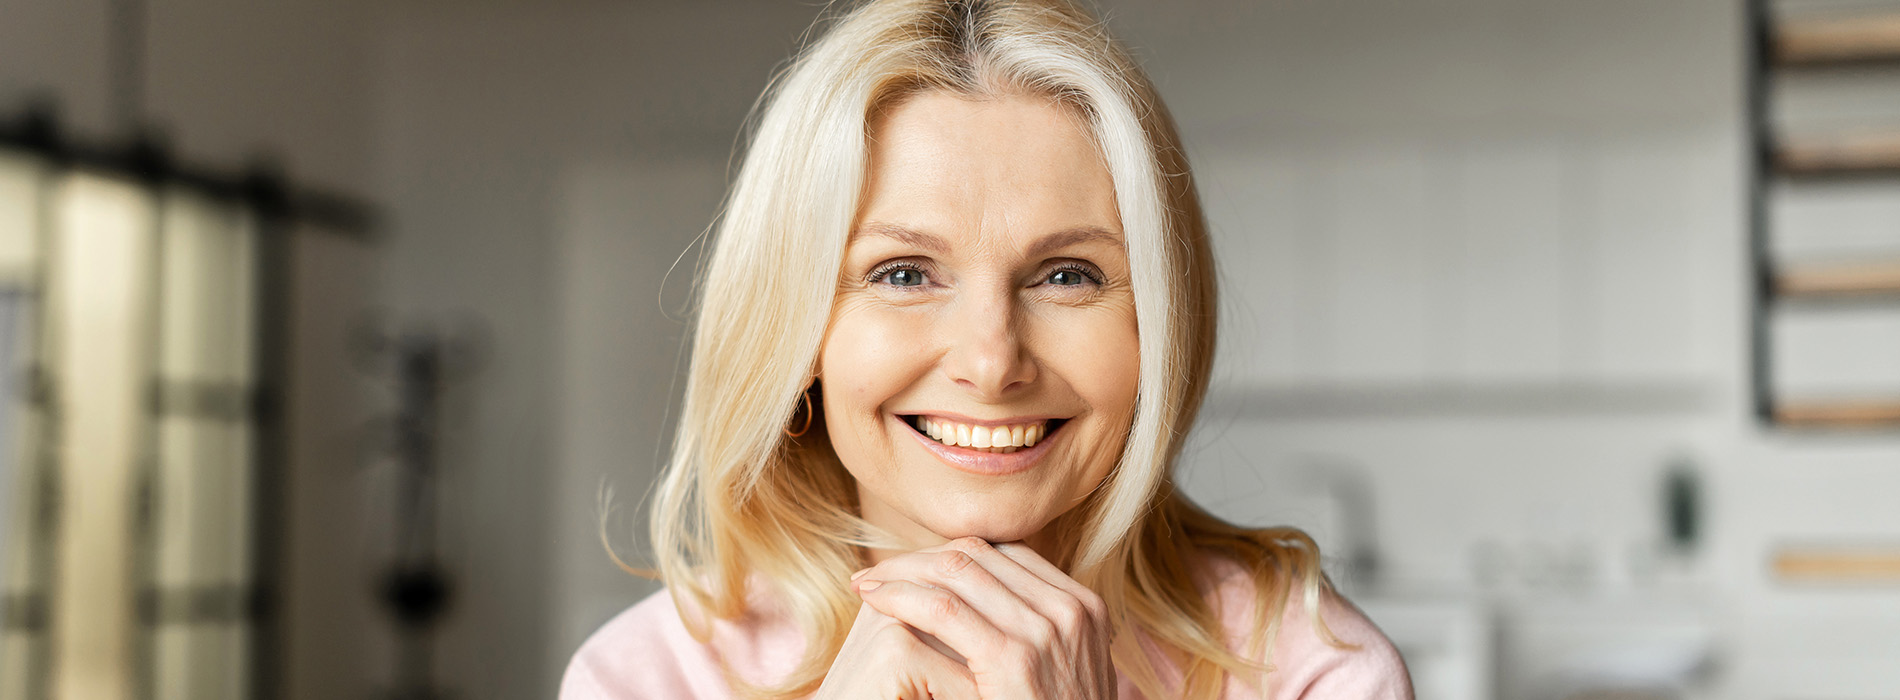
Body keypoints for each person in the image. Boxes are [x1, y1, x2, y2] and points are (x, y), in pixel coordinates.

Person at [561, 0, 1413, 698]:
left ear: (1159, 321)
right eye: (901, 274)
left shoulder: (1310, 667)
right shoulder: (643, 679)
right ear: (800, 331)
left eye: (1068, 276)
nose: (991, 360)